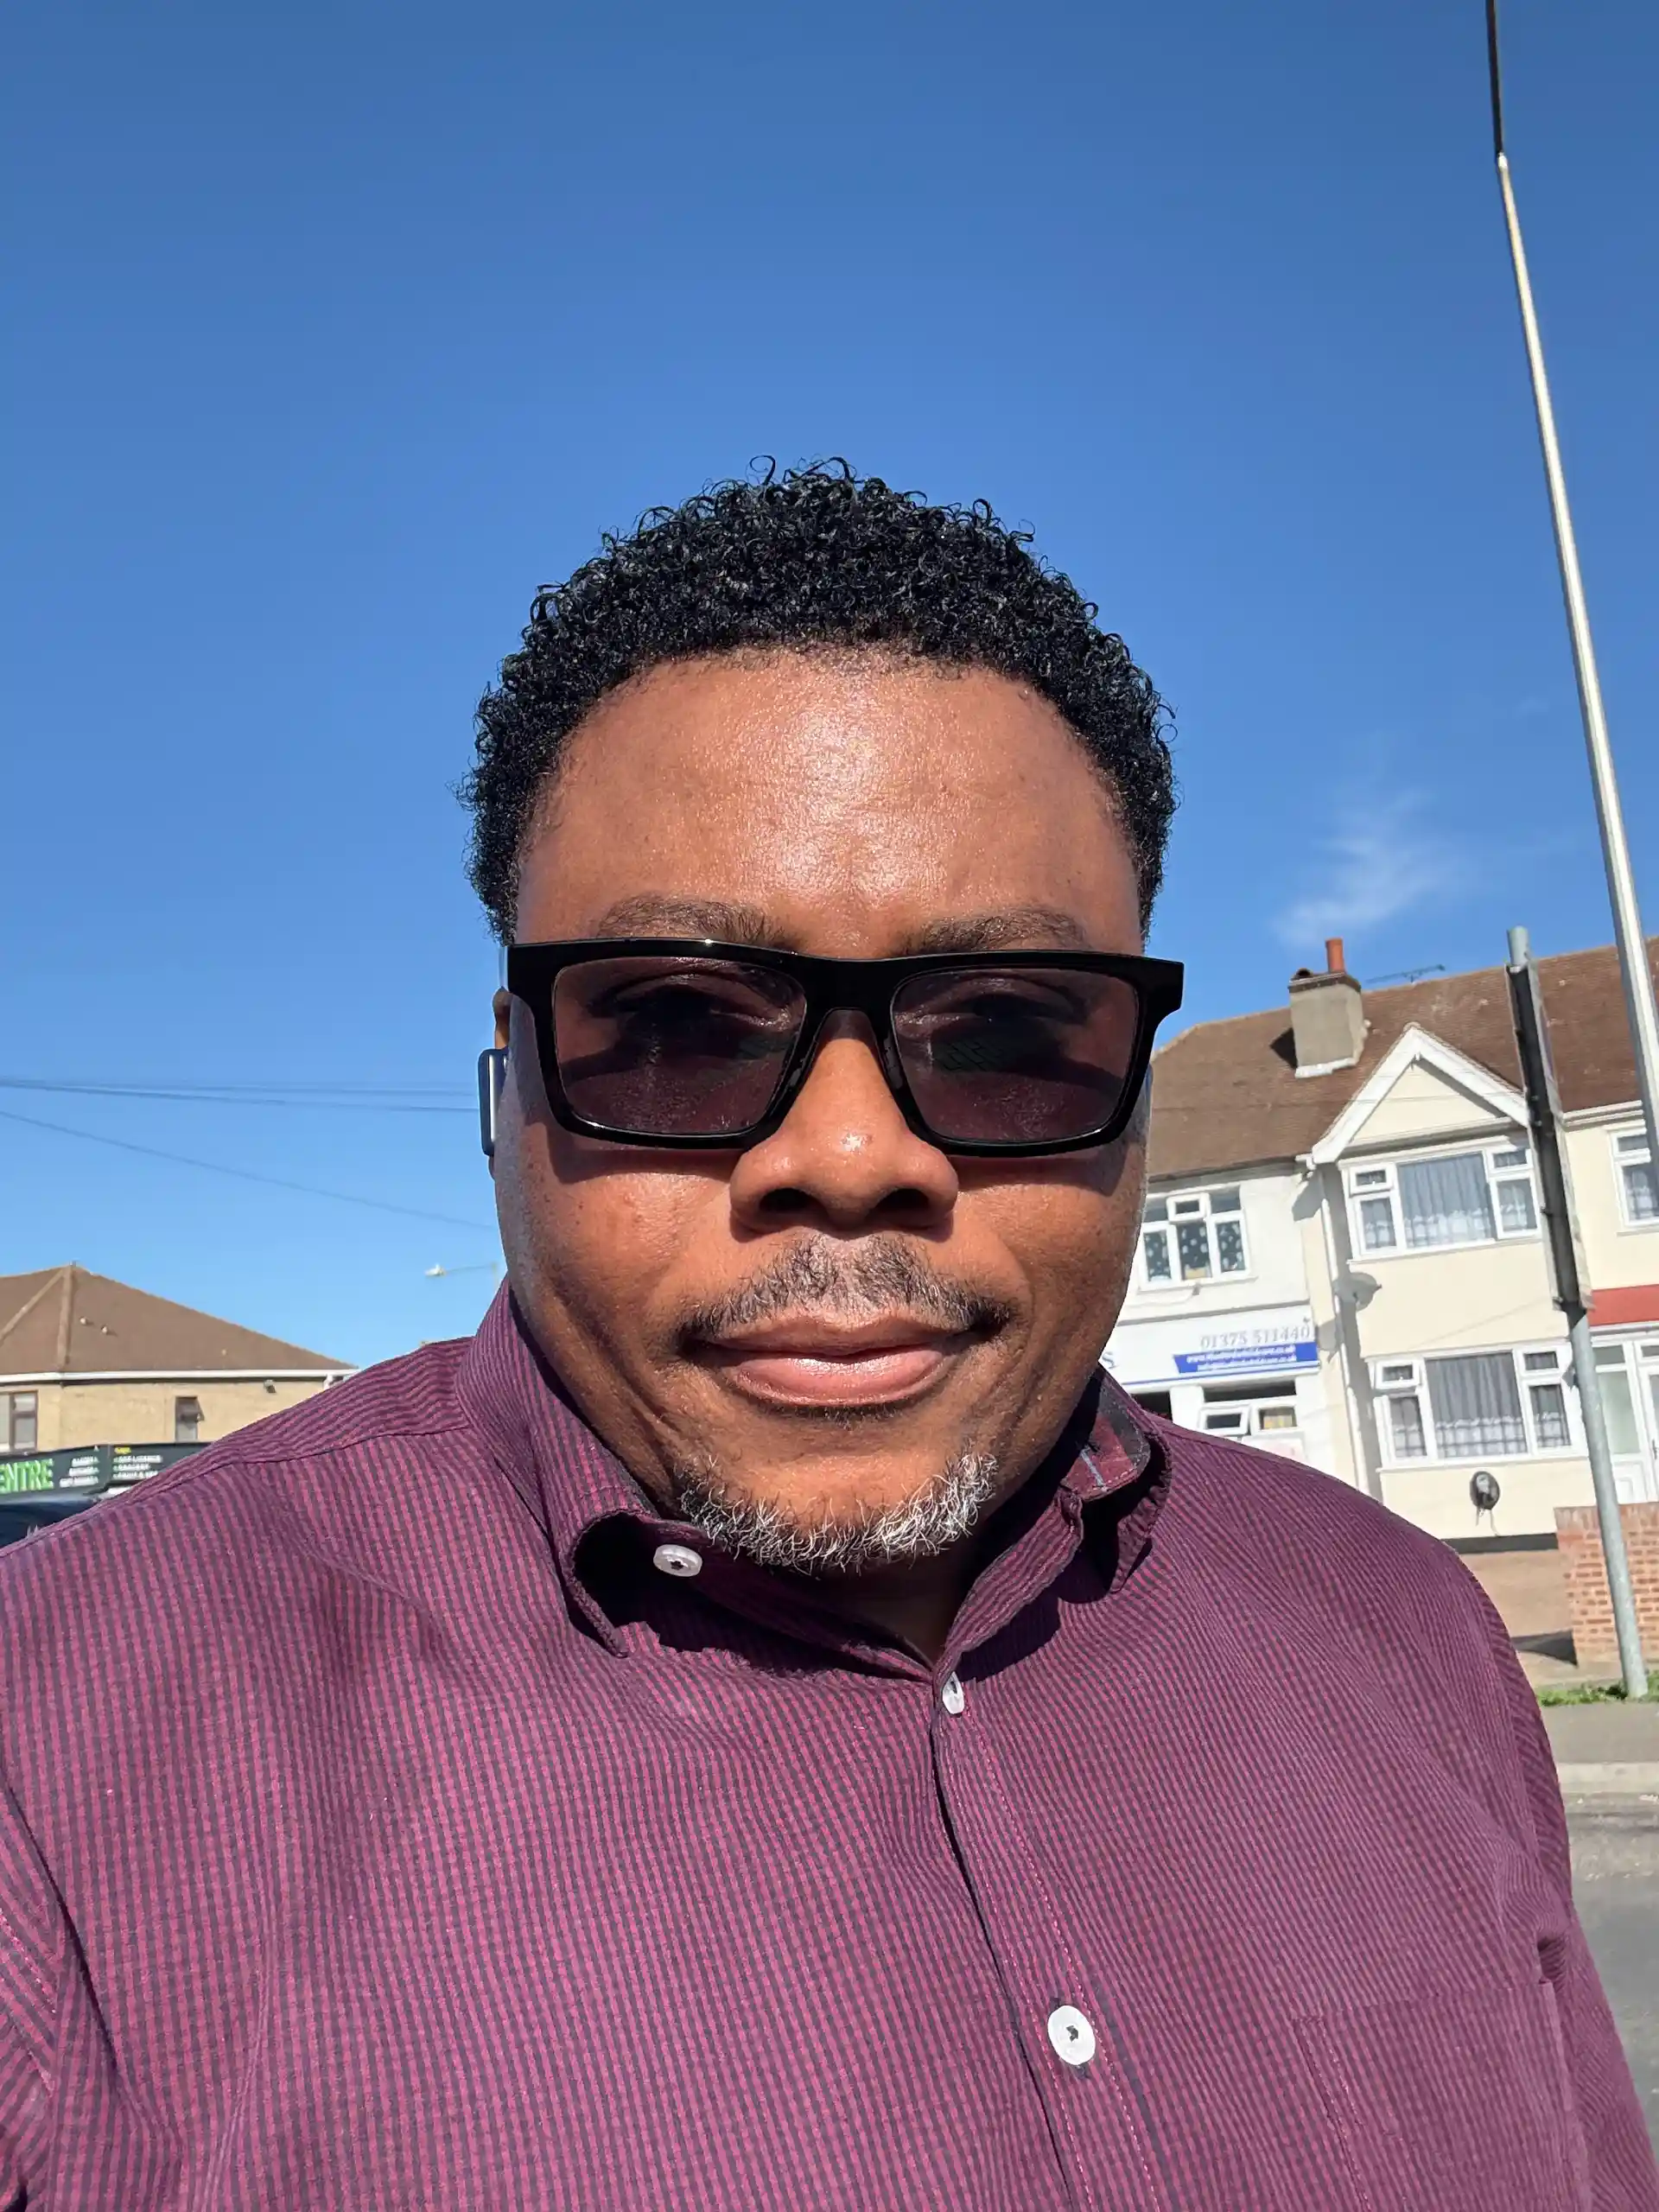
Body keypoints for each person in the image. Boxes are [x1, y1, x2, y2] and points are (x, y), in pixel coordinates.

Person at [0, 466, 1651, 2211]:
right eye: (677, 1025)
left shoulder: (1404, 1631)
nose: (853, 1157)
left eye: (1005, 1031)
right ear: (509, 1086)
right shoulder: (56, 1749)